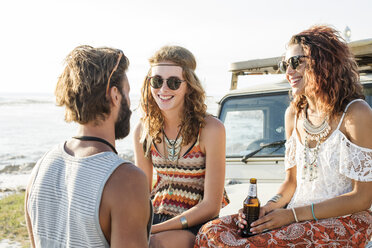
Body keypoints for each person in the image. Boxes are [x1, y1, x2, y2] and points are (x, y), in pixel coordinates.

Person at [194, 25, 372, 247]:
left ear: (324, 62)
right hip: (295, 214)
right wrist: (267, 209)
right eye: (285, 64)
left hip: (346, 219)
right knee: (211, 232)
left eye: (296, 62)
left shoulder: (356, 113)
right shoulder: (293, 115)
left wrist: (292, 216)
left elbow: (363, 197)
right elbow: (291, 182)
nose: (288, 72)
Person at [25, 45, 152, 248]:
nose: (131, 103)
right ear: (115, 95)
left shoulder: (41, 167)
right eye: (128, 93)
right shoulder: (126, 180)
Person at [133, 45, 230, 248]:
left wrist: (155, 229)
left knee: (152, 245)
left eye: (174, 82)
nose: (163, 89)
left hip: (196, 222)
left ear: (189, 86)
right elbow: (141, 193)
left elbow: (211, 205)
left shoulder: (211, 129)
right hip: (155, 217)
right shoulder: (143, 130)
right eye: (157, 81)